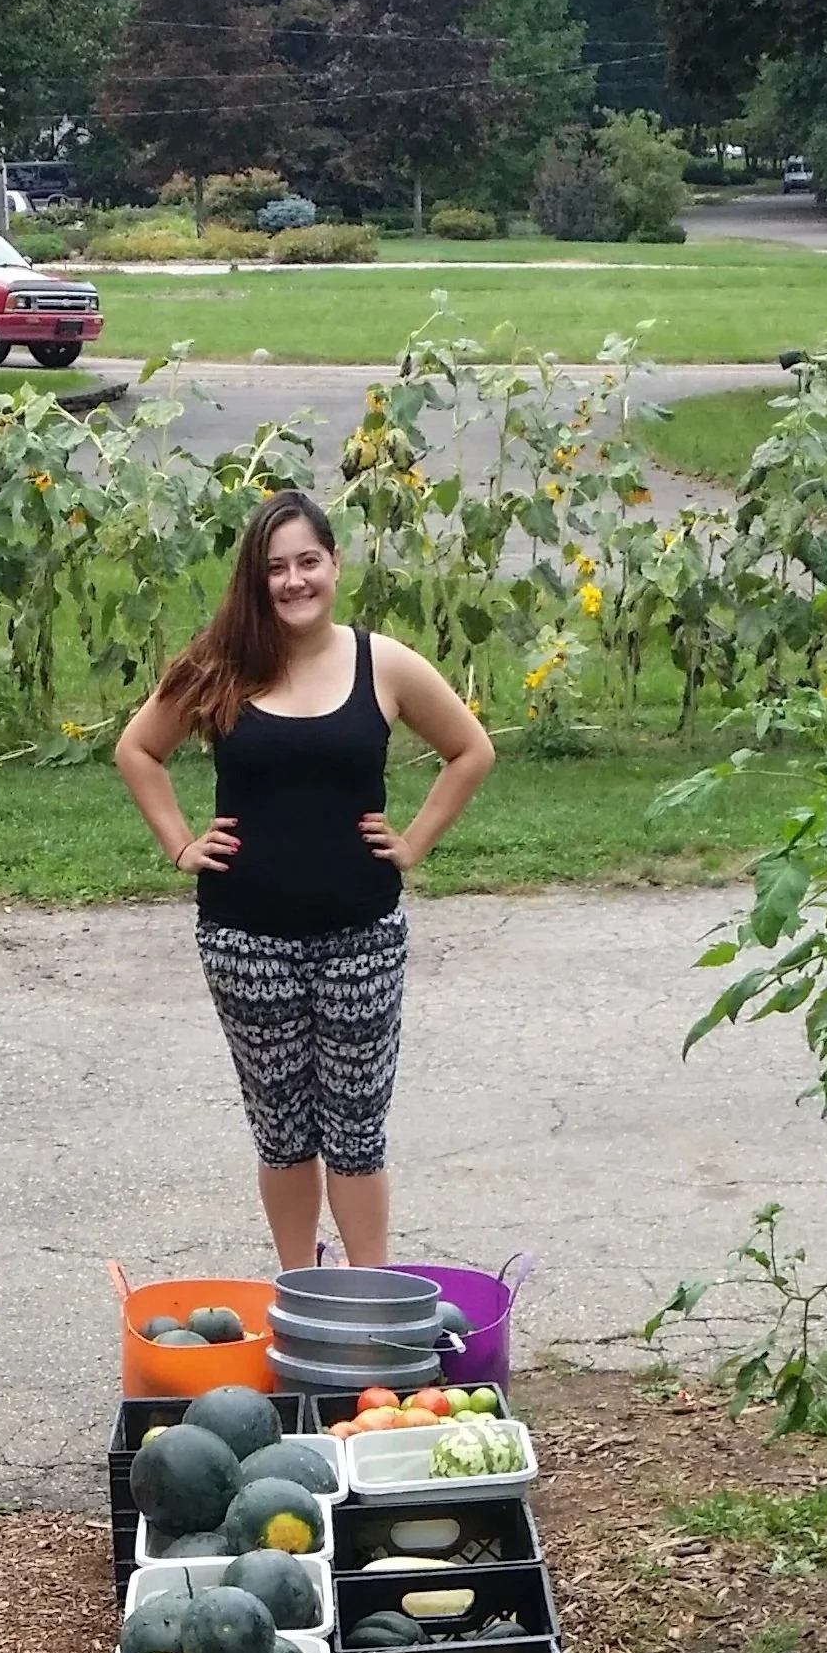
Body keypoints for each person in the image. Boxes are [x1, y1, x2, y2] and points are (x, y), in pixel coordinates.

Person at [115, 492, 494, 1269]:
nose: (293, 582)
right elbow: (137, 750)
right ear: (255, 580)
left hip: (362, 937)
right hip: (243, 939)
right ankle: (299, 1291)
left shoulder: (381, 663)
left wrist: (414, 840)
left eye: (307, 563)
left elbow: (472, 749)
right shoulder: (220, 662)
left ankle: (365, 1301)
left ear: (335, 565)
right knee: (282, 1129)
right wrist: (180, 843)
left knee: (355, 1131)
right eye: (275, 568)